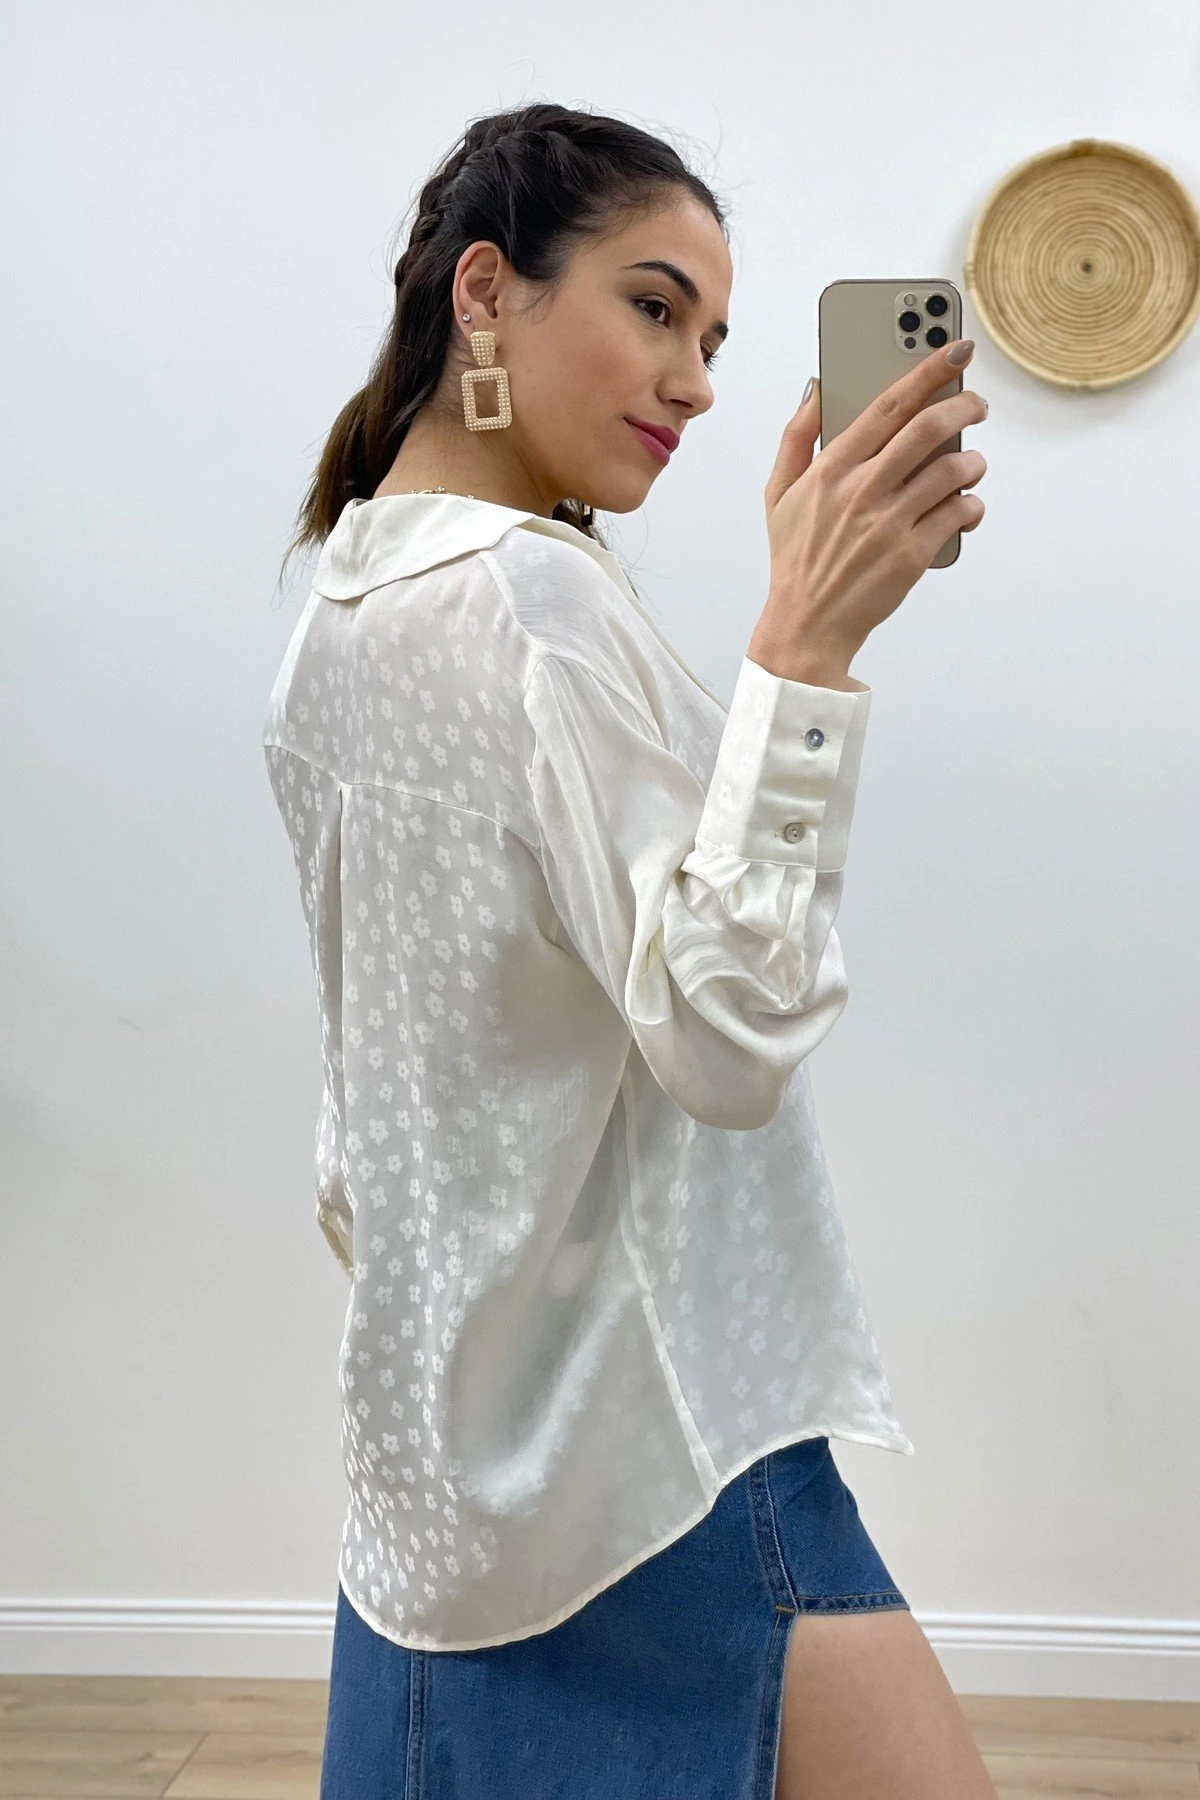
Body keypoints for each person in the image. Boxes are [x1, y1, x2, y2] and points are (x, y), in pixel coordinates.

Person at [264, 100, 998, 1800]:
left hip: (441, 1469)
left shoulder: (337, 614)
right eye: (656, 308)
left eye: (717, 340)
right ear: (485, 294)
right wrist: (805, 647)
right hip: (660, 1450)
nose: (697, 380)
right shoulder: (534, 605)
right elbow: (725, 1039)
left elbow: (368, 1106)